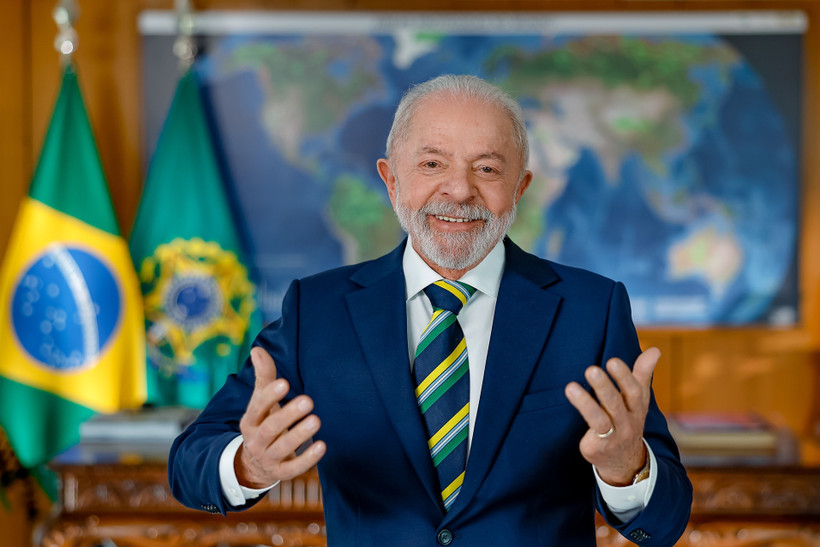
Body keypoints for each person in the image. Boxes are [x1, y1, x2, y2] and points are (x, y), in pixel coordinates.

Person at [168, 74, 692, 546]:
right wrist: (250, 464)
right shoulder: (318, 311)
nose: (459, 190)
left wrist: (627, 470)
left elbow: (665, 522)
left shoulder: (590, 310)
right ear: (391, 179)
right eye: (432, 164)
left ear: (520, 187)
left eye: (486, 168)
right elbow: (190, 464)